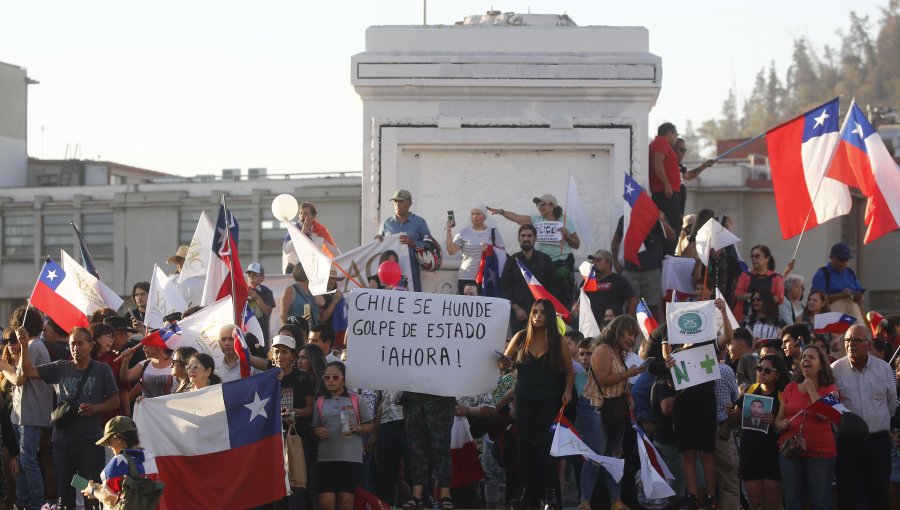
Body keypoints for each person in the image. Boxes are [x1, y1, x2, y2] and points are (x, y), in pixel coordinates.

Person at [14, 327, 119, 510]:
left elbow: (115, 400)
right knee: (66, 492)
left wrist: (96, 408)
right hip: (63, 443)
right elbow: (27, 372)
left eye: (80, 343)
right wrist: (23, 346)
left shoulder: (102, 369)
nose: (76, 348)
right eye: (72, 344)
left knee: (91, 491)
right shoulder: (61, 366)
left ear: (91, 345)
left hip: (89, 443)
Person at [662, 298, 733, 510]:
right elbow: (670, 374)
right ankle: (693, 496)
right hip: (684, 405)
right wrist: (667, 362)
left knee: (706, 451)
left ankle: (711, 497)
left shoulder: (708, 343)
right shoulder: (674, 353)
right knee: (688, 452)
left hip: (705, 403)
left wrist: (723, 312)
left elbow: (729, 337)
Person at [504, 299, 574, 510]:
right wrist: (503, 363)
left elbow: (569, 371)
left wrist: (568, 391)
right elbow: (504, 362)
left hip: (549, 397)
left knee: (547, 444)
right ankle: (523, 491)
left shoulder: (558, 341)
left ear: (549, 316)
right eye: (535, 311)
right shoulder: (520, 337)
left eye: (543, 312)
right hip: (524, 397)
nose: (538, 316)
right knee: (523, 443)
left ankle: (550, 492)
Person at [578, 316, 646, 510]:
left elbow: (618, 382)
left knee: (614, 456)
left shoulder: (620, 353)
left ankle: (616, 501)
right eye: (630, 333)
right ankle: (585, 501)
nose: (632, 339)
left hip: (615, 409)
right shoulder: (602, 350)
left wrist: (628, 395)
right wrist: (628, 374)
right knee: (597, 455)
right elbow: (603, 378)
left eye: (634, 335)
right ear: (618, 330)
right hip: (594, 407)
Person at [831, 324, 897, 509]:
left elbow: (890, 404)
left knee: (879, 493)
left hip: (878, 442)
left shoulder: (883, 369)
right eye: (847, 340)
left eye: (856, 340)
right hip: (848, 444)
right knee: (849, 495)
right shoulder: (835, 370)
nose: (851, 344)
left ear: (868, 344)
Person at [773, 345, 838, 510]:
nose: (806, 360)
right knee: (793, 501)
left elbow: (825, 415)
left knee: (820, 501)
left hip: (820, 453)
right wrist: (780, 424)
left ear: (821, 365)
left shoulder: (831, 389)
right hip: (791, 450)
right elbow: (779, 420)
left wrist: (810, 389)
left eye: (811, 357)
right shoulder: (790, 388)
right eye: (803, 357)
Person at [1, 308, 52, 510]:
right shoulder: (32, 345)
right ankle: (23, 501)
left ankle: (37, 503)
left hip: (31, 414)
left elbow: (20, 379)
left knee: (28, 461)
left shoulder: (35, 346)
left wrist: (4, 366)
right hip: (22, 413)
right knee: (21, 462)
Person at [488, 194, 580, 305]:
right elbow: (517, 218)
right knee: (545, 294)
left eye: (542, 204)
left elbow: (576, 244)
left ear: (552, 205)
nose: (539, 207)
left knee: (564, 295)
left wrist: (568, 236)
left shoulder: (565, 220)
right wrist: (502, 212)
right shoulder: (536, 219)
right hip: (544, 262)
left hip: (562, 262)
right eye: (537, 205)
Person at [728, 354, 790, 510]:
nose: (761, 373)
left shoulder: (783, 395)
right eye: (759, 368)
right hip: (750, 452)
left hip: (773, 454)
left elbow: (787, 424)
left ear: (778, 374)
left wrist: (775, 420)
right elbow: (735, 419)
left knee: (773, 504)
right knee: (755, 503)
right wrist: (731, 411)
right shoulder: (750, 389)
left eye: (767, 370)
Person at [312, 361, 374, 510]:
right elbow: (312, 429)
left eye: (335, 377)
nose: (331, 381)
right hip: (325, 458)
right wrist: (316, 431)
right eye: (327, 377)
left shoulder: (356, 399)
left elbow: (371, 424)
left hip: (351, 458)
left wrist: (358, 428)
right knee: (325, 501)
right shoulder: (319, 402)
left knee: (345, 501)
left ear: (344, 379)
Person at [271, 335, 313, 510]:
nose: (280, 355)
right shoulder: (268, 376)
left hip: (296, 440)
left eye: (284, 352)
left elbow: (310, 409)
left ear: (293, 356)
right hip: (272, 441)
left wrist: (294, 412)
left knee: (296, 486)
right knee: (275, 489)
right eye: (276, 351)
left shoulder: (303, 378)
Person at [81, 416, 156, 509]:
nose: (108, 446)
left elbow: (111, 499)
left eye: (109, 440)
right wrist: (101, 488)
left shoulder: (117, 463)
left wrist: (93, 491)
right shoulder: (150, 458)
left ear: (119, 438)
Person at [611, 212, 675, 320]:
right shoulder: (626, 216)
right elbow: (616, 240)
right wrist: (615, 261)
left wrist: (662, 221)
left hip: (652, 269)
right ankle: (631, 334)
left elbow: (672, 237)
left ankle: (652, 335)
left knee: (652, 307)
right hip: (630, 269)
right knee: (630, 305)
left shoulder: (656, 215)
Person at [499, 224, 560, 333]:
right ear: (519, 238)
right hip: (519, 314)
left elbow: (554, 286)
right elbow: (503, 288)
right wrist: (516, 308)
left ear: (535, 238)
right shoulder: (512, 261)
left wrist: (543, 309)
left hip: (540, 315)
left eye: (529, 236)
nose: (526, 238)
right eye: (523, 236)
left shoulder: (545, 260)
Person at [376, 189, 432, 292]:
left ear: (409, 203)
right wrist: (377, 242)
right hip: (390, 277)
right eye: (395, 201)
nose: (397, 204)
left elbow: (429, 245)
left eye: (400, 201)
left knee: (413, 306)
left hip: (412, 275)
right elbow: (380, 249)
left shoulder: (419, 222)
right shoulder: (386, 223)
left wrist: (413, 243)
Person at [445, 205, 505, 294]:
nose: (474, 216)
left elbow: (502, 253)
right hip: (465, 277)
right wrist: (449, 231)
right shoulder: (464, 232)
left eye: (478, 214)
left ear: (484, 217)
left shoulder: (493, 232)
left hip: (487, 277)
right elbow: (451, 251)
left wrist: (489, 248)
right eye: (472, 214)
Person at [648, 122, 682, 255]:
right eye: (675, 135)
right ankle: (666, 256)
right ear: (670, 133)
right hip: (667, 193)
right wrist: (667, 185)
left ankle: (666, 254)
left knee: (671, 226)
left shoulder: (657, 143)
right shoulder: (661, 142)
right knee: (671, 227)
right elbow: (658, 163)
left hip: (666, 191)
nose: (676, 139)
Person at [811, 242, 865, 322]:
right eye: (841, 259)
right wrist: (840, 295)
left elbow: (859, 298)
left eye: (846, 260)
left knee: (860, 332)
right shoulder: (822, 274)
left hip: (852, 310)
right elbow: (816, 301)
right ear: (831, 257)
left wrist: (859, 297)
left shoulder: (850, 273)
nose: (845, 263)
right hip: (831, 312)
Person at [284, 201, 341, 273]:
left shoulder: (320, 230)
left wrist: (345, 263)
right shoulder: (294, 228)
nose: (302, 216)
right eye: (301, 213)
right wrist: (302, 233)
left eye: (305, 214)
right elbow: (286, 249)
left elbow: (334, 251)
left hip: (312, 271)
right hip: (294, 270)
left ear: (314, 216)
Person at [733, 245, 785, 323]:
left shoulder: (776, 278)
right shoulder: (745, 275)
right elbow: (737, 295)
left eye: (757, 256)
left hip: (769, 319)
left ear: (767, 258)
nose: (754, 259)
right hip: (743, 317)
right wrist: (756, 295)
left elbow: (779, 299)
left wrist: (759, 296)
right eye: (752, 256)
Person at [582, 249, 637, 321]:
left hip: (614, 324)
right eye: (593, 261)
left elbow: (633, 299)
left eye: (598, 261)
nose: (594, 263)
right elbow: (578, 299)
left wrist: (629, 317)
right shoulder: (588, 280)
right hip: (592, 325)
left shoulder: (619, 280)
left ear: (608, 263)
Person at [246, 262, 276, 347]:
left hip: (262, 331)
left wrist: (257, 297)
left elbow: (268, 312)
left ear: (262, 277)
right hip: (247, 330)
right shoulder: (243, 291)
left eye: (255, 275)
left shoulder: (266, 292)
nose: (251, 277)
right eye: (249, 275)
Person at [799, 290, 834, 355]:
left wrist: (835, 345)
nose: (810, 302)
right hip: (806, 354)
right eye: (809, 300)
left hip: (824, 356)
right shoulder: (801, 318)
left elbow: (835, 346)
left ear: (823, 303)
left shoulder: (829, 321)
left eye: (814, 300)